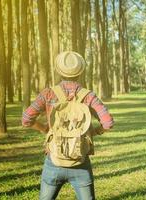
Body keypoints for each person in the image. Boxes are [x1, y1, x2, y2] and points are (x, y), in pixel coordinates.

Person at [22, 51, 114, 200]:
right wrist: (94, 132)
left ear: (59, 71)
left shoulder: (48, 94)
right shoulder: (88, 96)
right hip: (80, 162)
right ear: (80, 71)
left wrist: (44, 129)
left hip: (53, 160)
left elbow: (26, 119)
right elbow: (108, 123)